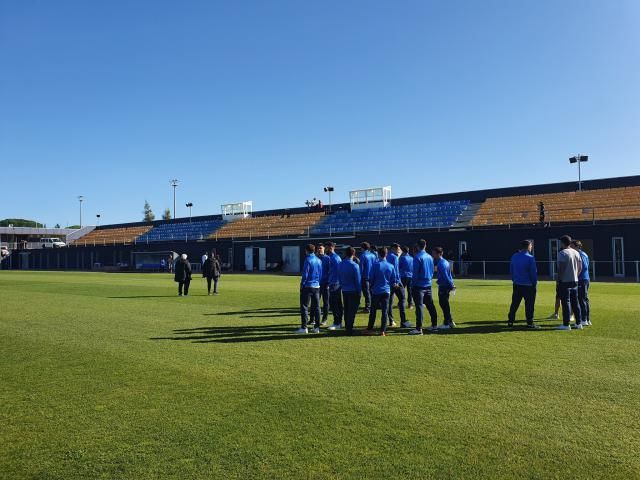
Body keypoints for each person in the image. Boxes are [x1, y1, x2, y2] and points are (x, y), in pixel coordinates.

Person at [408, 239, 438, 335]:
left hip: (419, 285)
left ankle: (418, 328)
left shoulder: (417, 257)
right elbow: (433, 270)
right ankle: (434, 325)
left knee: (419, 307)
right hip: (428, 284)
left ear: (417, 246)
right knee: (430, 305)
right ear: (425, 245)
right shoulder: (430, 257)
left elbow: (415, 273)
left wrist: (413, 284)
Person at [507, 240, 539, 329]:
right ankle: (530, 322)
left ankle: (510, 321)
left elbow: (511, 270)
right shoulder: (530, 258)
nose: (531, 247)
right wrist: (534, 283)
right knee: (529, 305)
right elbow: (533, 273)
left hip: (517, 284)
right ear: (528, 246)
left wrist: (514, 280)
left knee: (514, 303)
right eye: (531, 246)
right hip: (528, 285)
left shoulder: (514, 256)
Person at [364, 246, 394, 336]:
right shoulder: (390, 266)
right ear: (386, 254)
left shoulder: (375, 265)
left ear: (378, 254)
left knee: (373, 311)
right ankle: (382, 331)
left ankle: (370, 328)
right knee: (385, 311)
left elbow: (371, 278)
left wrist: (371, 286)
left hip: (376, 290)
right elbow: (393, 279)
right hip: (386, 291)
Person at [556, 235, 583, 330]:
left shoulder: (562, 253)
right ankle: (579, 323)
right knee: (575, 302)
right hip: (575, 280)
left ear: (563, 243)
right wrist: (575, 275)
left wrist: (559, 279)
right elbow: (580, 268)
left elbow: (561, 268)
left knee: (566, 302)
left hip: (565, 281)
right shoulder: (576, 252)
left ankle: (566, 324)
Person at [297, 244, 322, 334]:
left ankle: (304, 328)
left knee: (304, 307)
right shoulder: (319, 260)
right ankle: (317, 327)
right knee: (316, 307)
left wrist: (302, 285)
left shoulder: (308, 260)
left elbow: (305, 274)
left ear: (306, 250)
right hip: (317, 286)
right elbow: (320, 273)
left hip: (308, 286)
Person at [386, 243, 412, 328]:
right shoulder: (394, 257)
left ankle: (391, 320)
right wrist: (397, 281)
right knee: (402, 298)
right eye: (398, 248)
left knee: (390, 301)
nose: (399, 249)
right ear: (393, 248)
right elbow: (396, 270)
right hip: (396, 281)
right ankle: (403, 321)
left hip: (388, 282)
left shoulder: (387, 256)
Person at [338, 246, 362, 335]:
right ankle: (349, 329)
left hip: (344, 290)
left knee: (347, 309)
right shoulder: (354, 265)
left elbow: (339, 277)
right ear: (354, 254)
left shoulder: (340, 264)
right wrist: (359, 292)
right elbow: (358, 280)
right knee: (352, 311)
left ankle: (347, 327)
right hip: (353, 290)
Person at [432, 247, 456, 329]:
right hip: (445, 285)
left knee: (444, 304)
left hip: (444, 286)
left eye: (434, 253)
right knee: (445, 304)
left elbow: (446, 277)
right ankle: (450, 321)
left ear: (439, 254)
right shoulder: (445, 262)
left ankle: (446, 323)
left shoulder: (441, 264)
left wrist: (451, 285)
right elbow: (449, 275)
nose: (433, 255)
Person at [571, 240, 591, 326]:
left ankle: (584, 319)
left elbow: (584, 267)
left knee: (582, 299)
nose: (570, 248)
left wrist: (576, 275)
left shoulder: (580, 254)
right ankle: (586, 319)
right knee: (584, 299)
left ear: (576, 246)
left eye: (571, 246)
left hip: (582, 279)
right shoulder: (583, 253)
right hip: (585, 279)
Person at [325, 242, 344, 331]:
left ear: (330, 247)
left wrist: (332, 283)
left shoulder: (335, 258)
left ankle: (337, 323)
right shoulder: (333, 257)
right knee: (337, 304)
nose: (325, 249)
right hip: (334, 283)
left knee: (335, 304)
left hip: (335, 284)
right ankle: (338, 322)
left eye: (326, 247)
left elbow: (337, 272)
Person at [316, 244, 331, 326]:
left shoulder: (327, 258)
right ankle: (314, 319)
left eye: (321, 248)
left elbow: (330, 271)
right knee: (316, 302)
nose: (319, 249)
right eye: (318, 248)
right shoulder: (315, 258)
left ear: (324, 249)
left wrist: (328, 282)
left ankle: (324, 319)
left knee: (326, 302)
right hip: (317, 284)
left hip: (325, 284)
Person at [359, 242, 375, 312]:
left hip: (365, 277)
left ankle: (368, 307)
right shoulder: (373, 255)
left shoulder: (363, 256)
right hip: (372, 276)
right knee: (371, 291)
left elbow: (361, 268)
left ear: (362, 248)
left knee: (366, 292)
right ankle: (373, 305)